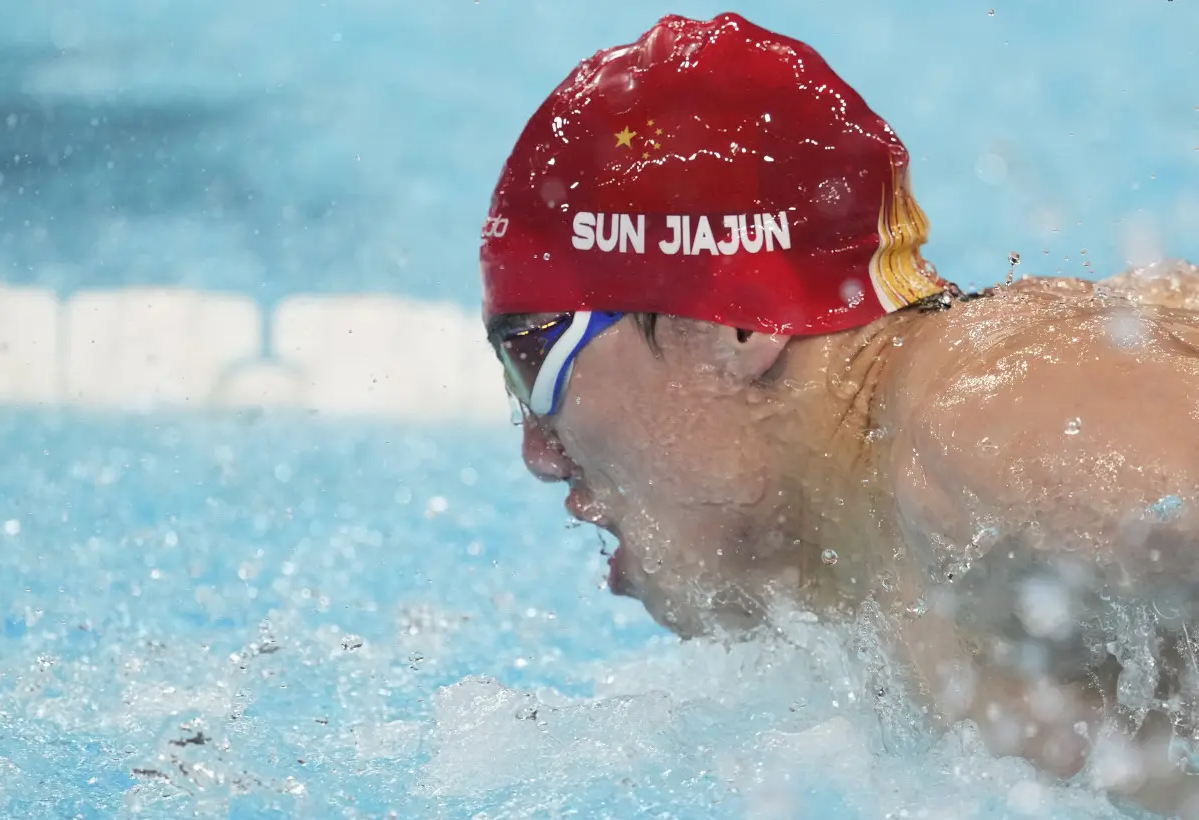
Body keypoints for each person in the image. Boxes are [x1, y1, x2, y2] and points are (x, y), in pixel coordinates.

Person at [479, 11, 1199, 815]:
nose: (537, 450)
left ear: (737, 326)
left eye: (533, 353)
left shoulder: (993, 442)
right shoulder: (870, 561)